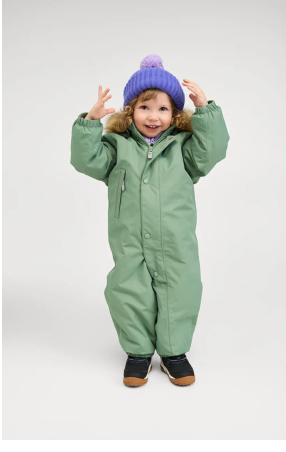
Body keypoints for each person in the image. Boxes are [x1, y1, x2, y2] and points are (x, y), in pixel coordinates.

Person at [70, 54, 230, 387]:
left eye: (162, 109)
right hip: (130, 240)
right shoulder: (117, 147)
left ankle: (174, 352)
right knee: (129, 291)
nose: (153, 116)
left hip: (174, 240)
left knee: (181, 289)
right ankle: (138, 352)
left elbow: (211, 152)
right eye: (144, 107)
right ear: (130, 111)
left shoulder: (184, 149)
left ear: (175, 114)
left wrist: (206, 111)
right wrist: (89, 123)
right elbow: (87, 161)